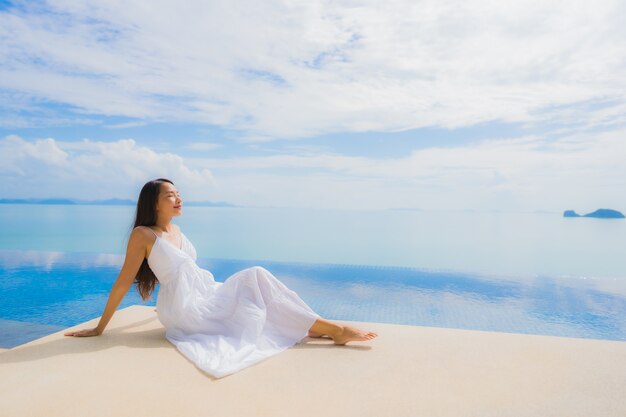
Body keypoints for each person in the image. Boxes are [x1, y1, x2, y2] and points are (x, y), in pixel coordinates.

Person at [65, 178, 378, 378]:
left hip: (204, 293)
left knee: (258, 285)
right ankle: (334, 329)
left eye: (177, 194)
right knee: (255, 279)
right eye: (170, 195)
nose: (178, 199)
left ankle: (326, 327)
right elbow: (123, 280)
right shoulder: (143, 234)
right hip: (185, 308)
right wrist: (100, 327)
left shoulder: (175, 230)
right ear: (153, 203)